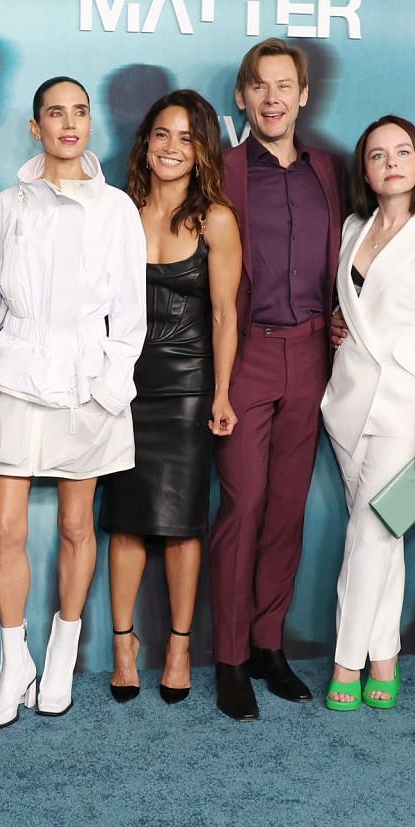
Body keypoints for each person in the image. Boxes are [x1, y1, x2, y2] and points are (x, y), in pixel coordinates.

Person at [0, 77, 146, 727]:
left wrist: (109, 390)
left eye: (80, 111)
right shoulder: (8, 205)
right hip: (16, 377)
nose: (69, 123)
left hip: (89, 385)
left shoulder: (116, 209)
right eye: (55, 112)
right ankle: (13, 659)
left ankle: (63, 650)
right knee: (7, 528)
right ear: (35, 127)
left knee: (79, 526)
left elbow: (131, 316)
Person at [319, 116, 415, 712]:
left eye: (403, 150)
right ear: (365, 168)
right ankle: (385, 655)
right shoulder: (352, 228)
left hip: (407, 412)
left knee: (371, 532)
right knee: (384, 539)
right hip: (345, 405)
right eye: (378, 154)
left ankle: (345, 661)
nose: (391, 162)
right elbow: (351, 315)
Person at [209, 40, 344, 721]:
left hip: (313, 354)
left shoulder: (330, 169)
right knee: (244, 506)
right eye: (259, 86)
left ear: (303, 95)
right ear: (242, 96)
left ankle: (269, 645)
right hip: (247, 356)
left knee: (287, 510)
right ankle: (230, 658)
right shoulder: (223, 171)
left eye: (285, 85)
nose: (272, 97)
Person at [99, 91, 241, 704]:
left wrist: (223, 393)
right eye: (162, 134)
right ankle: (123, 644)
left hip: (186, 386)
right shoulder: (120, 210)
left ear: (202, 148)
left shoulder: (216, 219)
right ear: (146, 141)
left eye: (186, 138)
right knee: (125, 524)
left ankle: (181, 646)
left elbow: (224, 314)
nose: (172, 148)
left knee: (183, 525)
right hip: (123, 383)